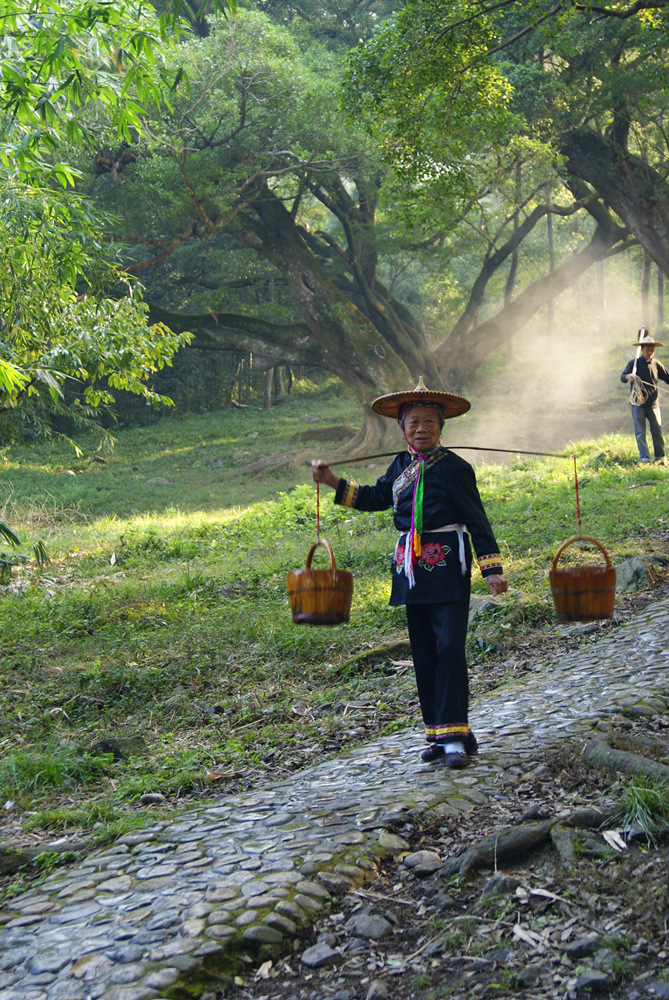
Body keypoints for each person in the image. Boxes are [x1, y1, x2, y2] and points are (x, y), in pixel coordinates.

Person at [311, 378, 508, 769]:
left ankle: (452, 739)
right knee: (424, 653)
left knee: (450, 647)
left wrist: (492, 569)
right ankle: (444, 735)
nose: (422, 429)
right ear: (402, 429)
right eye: (414, 423)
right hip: (410, 570)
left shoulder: (455, 468)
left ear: (441, 427)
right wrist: (332, 480)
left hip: (449, 564)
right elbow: (374, 498)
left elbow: (476, 519)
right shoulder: (399, 466)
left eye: (430, 423)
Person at [621, 329, 669, 464]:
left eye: (652, 350)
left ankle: (660, 456)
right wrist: (629, 376)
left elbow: (668, 378)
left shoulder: (656, 364)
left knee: (657, 431)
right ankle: (645, 458)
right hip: (638, 405)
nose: (650, 353)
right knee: (640, 433)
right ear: (641, 349)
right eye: (647, 350)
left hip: (653, 404)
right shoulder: (633, 364)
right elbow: (622, 377)